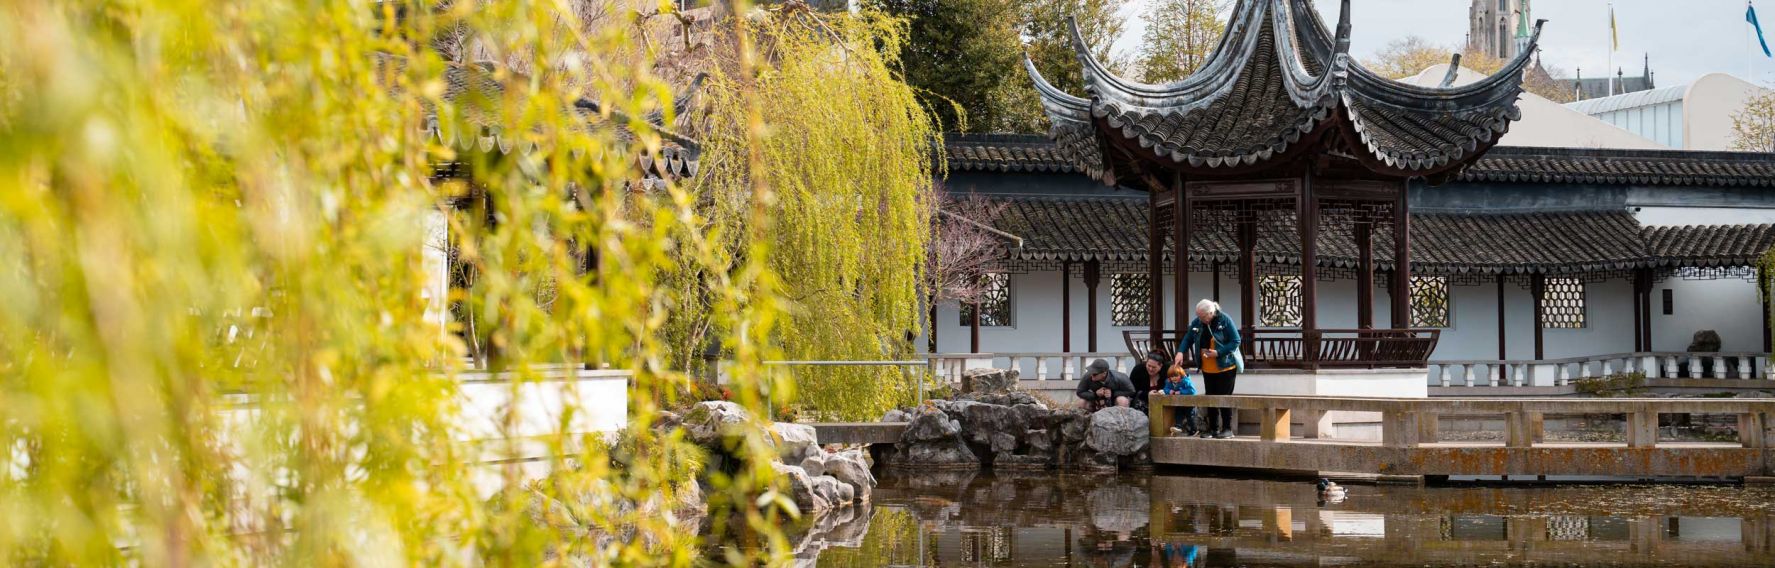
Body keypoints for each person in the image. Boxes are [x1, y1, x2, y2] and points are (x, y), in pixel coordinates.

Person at [1172, 299, 1243, 438]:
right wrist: (1180, 352)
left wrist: (1219, 352)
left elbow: (1236, 341)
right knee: (1210, 398)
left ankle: (1227, 429)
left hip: (1225, 367)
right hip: (1207, 368)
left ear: (1211, 313)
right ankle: (1213, 429)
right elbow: (1188, 338)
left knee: (1224, 398)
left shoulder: (1225, 320)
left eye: (1203, 316)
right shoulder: (1198, 322)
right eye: (1198, 316)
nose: (1200, 319)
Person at [1159, 366, 1199, 436]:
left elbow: (1192, 391)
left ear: (1181, 375)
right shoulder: (1169, 382)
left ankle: (1194, 430)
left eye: (1176, 376)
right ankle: (1178, 427)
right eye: (1172, 376)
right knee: (1178, 414)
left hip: (1189, 403)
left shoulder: (1186, 381)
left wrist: (1181, 392)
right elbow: (1165, 389)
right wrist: (1169, 391)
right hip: (1179, 403)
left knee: (1190, 416)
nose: (1174, 378)